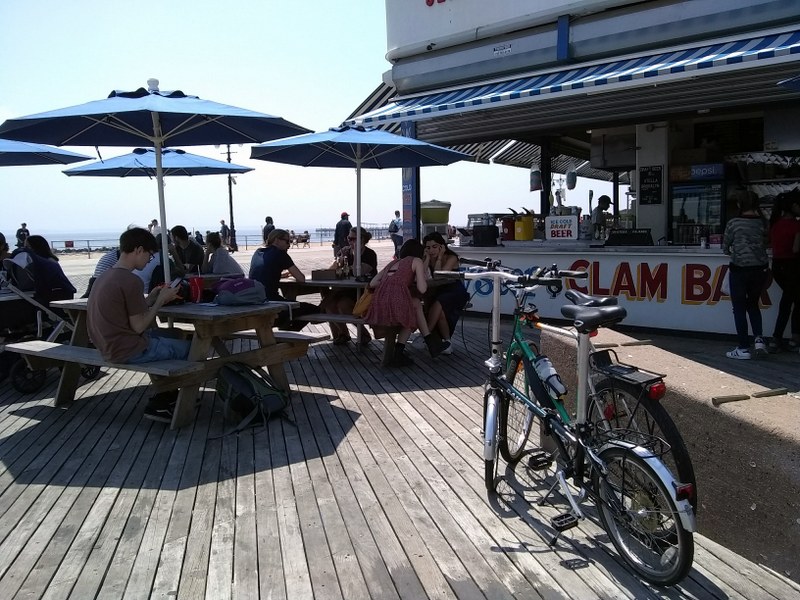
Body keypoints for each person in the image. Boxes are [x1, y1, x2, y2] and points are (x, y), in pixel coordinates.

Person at [87, 227, 189, 421]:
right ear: (139, 250)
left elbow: (128, 314)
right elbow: (139, 326)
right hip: (129, 350)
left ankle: (169, 394)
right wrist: (160, 302)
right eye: (149, 256)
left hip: (107, 347)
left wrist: (151, 299)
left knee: (175, 334)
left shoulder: (105, 276)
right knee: (192, 349)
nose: (149, 260)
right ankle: (165, 400)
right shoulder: (131, 281)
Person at [365, 239, 449, 366]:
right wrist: (424, 262)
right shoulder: (417, 261)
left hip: (380, 304)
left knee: (414, 305)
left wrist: (392, 283)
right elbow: (422, 288)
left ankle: (404, 351)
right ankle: (429, 343)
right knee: (414, 308)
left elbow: (372, 283)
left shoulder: (393, 262)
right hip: (396, 304)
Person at [722, 189, 769, 360]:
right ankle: (759, 339)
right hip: (760, 269)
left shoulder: (734, 223)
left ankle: (743, 348)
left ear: (739, 205)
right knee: (753, 304)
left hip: (740, 270)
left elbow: (725, 246)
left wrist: (733, 251)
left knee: (739, 308)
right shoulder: (763, 223)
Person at [249, 228, 317, 330]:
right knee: (312, 309)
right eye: (287, 241)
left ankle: (286, 335)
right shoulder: (281, 254)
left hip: (253, 303)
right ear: (276, 240)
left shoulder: (258, 252)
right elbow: (301, 278)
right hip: (271, 304)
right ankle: (288, 336)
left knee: (295, 310)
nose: (289, 245)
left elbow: (263, 272)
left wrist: (280, 275)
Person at [321, 227, 378, 345]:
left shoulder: (370, 254)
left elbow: (359, 272)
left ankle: (363, 334)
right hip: (344, 289)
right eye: (349, 238)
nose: (350, 241)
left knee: (343, 305)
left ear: (362, 240)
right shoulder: (344, 251)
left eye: (353, 239)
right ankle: (343, 334)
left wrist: (356, 253)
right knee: (329, 306)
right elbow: (330, 271)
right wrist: (337, 264)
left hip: (364, 292)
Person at [422, 232, 469, 354]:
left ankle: (426, 336)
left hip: (455, 290)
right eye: (428, 247)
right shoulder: (428, 257)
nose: (431, 250)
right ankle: (447, 343)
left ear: (442, 246)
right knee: (440, 312)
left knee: (438, 303)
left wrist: (439, 258)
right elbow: (422, 275)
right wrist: (426, 259)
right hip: (438, 290)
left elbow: (439, 276)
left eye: (434, 246)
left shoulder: (451, 257)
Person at [767, 190, 800, 352]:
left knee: (789, 301)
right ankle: (787, 338)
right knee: (791, 302)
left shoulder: (775, 224)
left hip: (777, 266)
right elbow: (796, 248)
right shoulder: (797, 225)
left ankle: (779, 339)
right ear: (793, 206)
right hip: (792, 267)